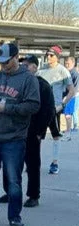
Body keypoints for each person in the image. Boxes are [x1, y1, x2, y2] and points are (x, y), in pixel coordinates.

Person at [0, 43, 39, 226]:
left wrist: (7, 108)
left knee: (13, 180)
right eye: (1, 62)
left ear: (16, 58)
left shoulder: (28, 80)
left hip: (14, 138)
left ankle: (14, 216)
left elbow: (33, 106)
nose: (3, 66)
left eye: (6, 62)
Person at [5, 56, 55, 208]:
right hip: (14, 130)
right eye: (22, 66)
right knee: (10, 163)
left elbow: (49, 110)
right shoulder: (17, 83)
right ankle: (11, 192)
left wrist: (40, 131)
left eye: (27, 66)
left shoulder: (43, 85)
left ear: (35, 67)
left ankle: (33, 195)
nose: (23, 68)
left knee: (32, 164)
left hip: (32, 131)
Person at [37, 45, 75, 174]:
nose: (48, 57)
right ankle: (34, 161)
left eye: (51, 55)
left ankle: (55, 162)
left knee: (56, 136)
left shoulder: (63, 71)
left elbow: (71, 90)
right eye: (47, 54)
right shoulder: (41, 70)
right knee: (37, 136)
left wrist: (62, 104)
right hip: (41, 109)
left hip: (55, 108)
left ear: (57, 57)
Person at [62, 56, 79, 134]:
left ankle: (69, 129)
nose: (66, 65)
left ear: (73, 63)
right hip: (68, 95)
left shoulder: (74, 73)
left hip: (72, 96)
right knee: (68, 113)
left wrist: (67, 96)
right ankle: (69, 128)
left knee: (68, 113)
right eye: (65, 63)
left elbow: (75, 87)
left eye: (68, 63)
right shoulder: (67, 72)